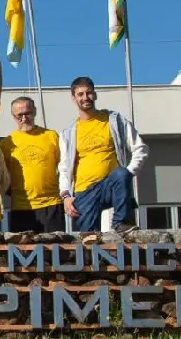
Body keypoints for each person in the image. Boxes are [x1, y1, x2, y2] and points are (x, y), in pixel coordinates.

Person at [58, 76, 149, 234]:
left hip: (110, 185)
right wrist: (66, 196)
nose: (85, 97)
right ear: (73, 98)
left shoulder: (114, 120)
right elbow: (64, 167)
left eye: (89, 93)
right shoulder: (69, 132)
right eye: (80, 94)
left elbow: (140, 148)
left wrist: (129, 172)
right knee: (89, 240)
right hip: (83, 191)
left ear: (95, 94)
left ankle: (121, 223)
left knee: (121, 173)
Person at [0, 97, 64, 233]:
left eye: (27, 113)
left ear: (34, 112)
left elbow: (65, 168)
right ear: (13, 116)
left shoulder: (52, 136)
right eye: (19, 115)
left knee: (55, 252)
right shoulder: (7, 143)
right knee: (23, 252)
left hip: (51, 204)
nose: (24, 118)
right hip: (20, 208)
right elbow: (1, 177)